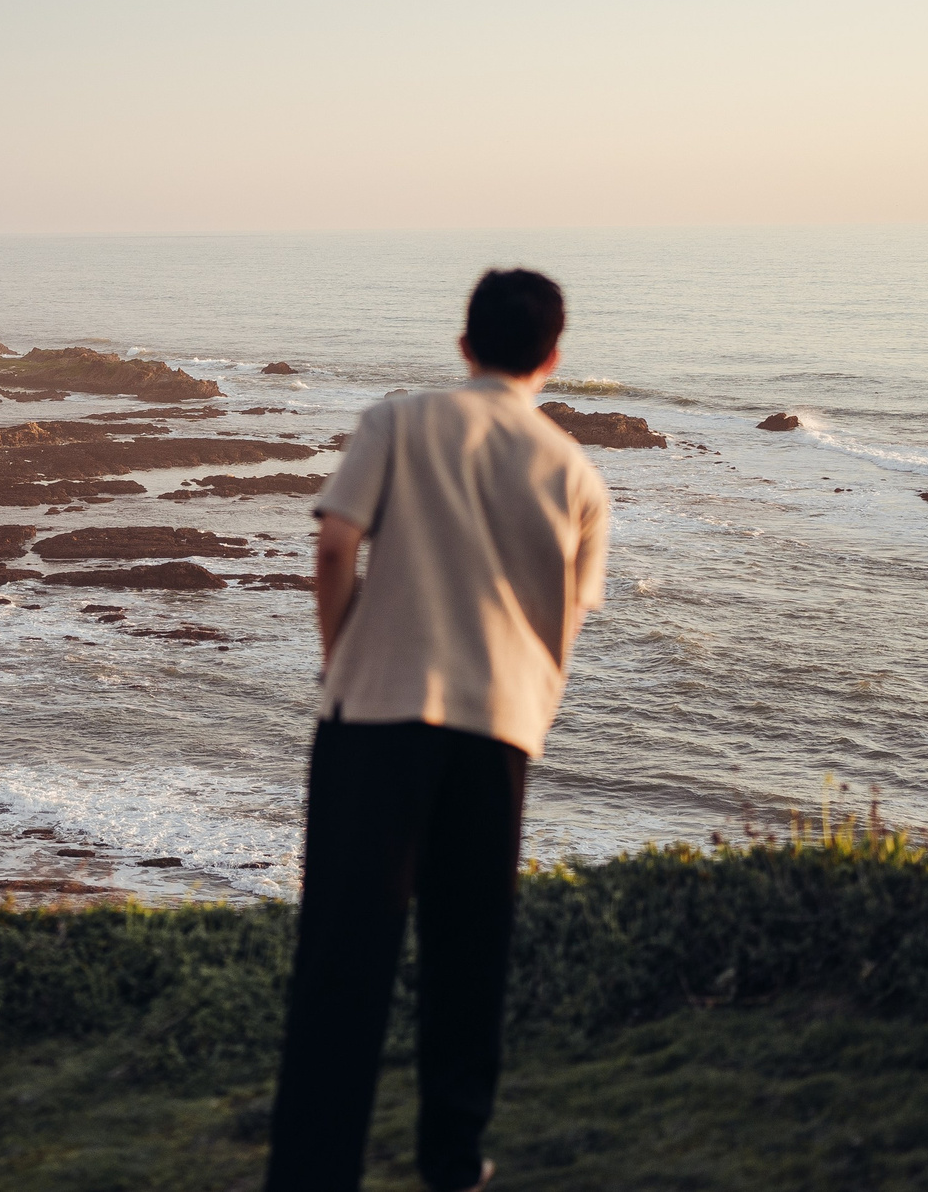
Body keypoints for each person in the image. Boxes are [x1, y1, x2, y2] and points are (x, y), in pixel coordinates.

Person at [264, 269, 611, 1192]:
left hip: (374, 717)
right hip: (495, 732)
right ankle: (454, 1163)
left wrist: (341, 662)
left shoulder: (399, 421)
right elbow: (566, 624)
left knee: (345, 956)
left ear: (463, 346)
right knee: (469, 956)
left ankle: (311, 1173)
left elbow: (336, 546)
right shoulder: (576, 473)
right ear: (553, 356)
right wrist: (527, 711)